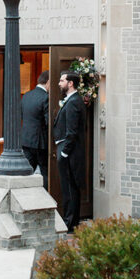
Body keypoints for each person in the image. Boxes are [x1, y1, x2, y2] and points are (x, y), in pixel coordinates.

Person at [53, 71, 86, 232]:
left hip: (70, 152)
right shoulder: (72, 100)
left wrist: (64, 153)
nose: (59, 83)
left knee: (70, 188)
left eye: (62, 80)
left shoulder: (73, 102)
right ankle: (71, 222)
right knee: (68, 187)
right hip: (67, 149)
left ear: (70, 83)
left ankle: (69, 223)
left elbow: (72, 131)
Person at [21, 71, 50, 188]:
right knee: (46, 172)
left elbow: (22, 116)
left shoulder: (26, 95)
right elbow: (48, 122)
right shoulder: (46, 97)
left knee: (27, 173)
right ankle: (46, 200)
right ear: (48, 82)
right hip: (41, 142)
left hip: (26, 140)